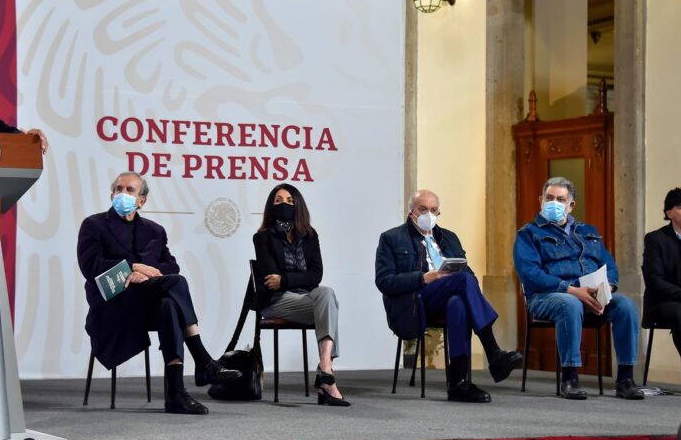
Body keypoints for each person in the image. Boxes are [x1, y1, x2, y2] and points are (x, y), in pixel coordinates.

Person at [77, 171, 240, 415]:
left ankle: (175, 395)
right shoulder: (94, 225)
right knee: (177, 284)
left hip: (147, 303)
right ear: (111, 195)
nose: (123, 194)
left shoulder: (155, 231)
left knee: (168, 305)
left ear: (142, 200)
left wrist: (147, 274)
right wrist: (131, 267)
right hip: (114, 303)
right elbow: (90, 267)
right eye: (119, 189)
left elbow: (170, 266)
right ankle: (203, 361)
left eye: (130, 190)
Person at [375, 189, 522, 403]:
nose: (429, 215)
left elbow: (470, 276)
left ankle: (458, 383)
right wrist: (423, 278)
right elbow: (384, 282)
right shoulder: (391, 238)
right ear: (411, 211)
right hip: (416, 300)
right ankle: (494, 352)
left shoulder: (449, 238)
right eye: (423, 209)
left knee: (459, 302)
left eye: (434, 210)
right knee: (461, 280)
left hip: (446, 299)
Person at [514, 176, 643, 400]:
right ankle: (570, 378)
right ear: (540, 200)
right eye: (549, 198)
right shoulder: (528, 234)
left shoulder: (588, 231)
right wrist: (572, 290)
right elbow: (530, 275)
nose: (554, 203)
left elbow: (609, 264)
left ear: (571, 205)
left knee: (625, 305)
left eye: (560, 199)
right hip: (548, 297)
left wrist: (607, 288)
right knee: (570, 303)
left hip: (591, 295)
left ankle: (625, 379)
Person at [252, 183, 348, 406]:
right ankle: (327, 381)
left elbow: (316, 275)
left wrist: (284, 279)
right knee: (329, 307)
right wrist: (287, 280)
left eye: (289, 201)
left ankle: (324, 367)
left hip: (306, 298)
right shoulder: (263, 237)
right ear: (270, 206)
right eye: (278, 201)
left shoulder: (310, 236)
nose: (283, 205)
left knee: (327, 294)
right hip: (277, 301)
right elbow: (270, 277)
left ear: (298, 206)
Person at [642, 187, 681, 363]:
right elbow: (654, 280)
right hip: (662, 302)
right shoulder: (655, 239)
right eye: (680, 206)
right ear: (669, 212)